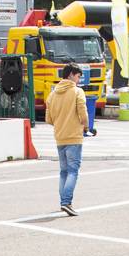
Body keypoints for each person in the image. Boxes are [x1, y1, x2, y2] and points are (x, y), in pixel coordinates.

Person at [44, 63, 87, 216]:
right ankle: (66, 202)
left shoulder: (52, 94)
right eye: (77, 76)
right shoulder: (77, 92)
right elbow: (83, 112)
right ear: (70, 75)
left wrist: (60, 123)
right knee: (73, 171)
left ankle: (63, 201)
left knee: (63, 171)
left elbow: (48, 119)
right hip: (74, 137)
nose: (78, 80)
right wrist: (86, 127)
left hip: (60, 137)